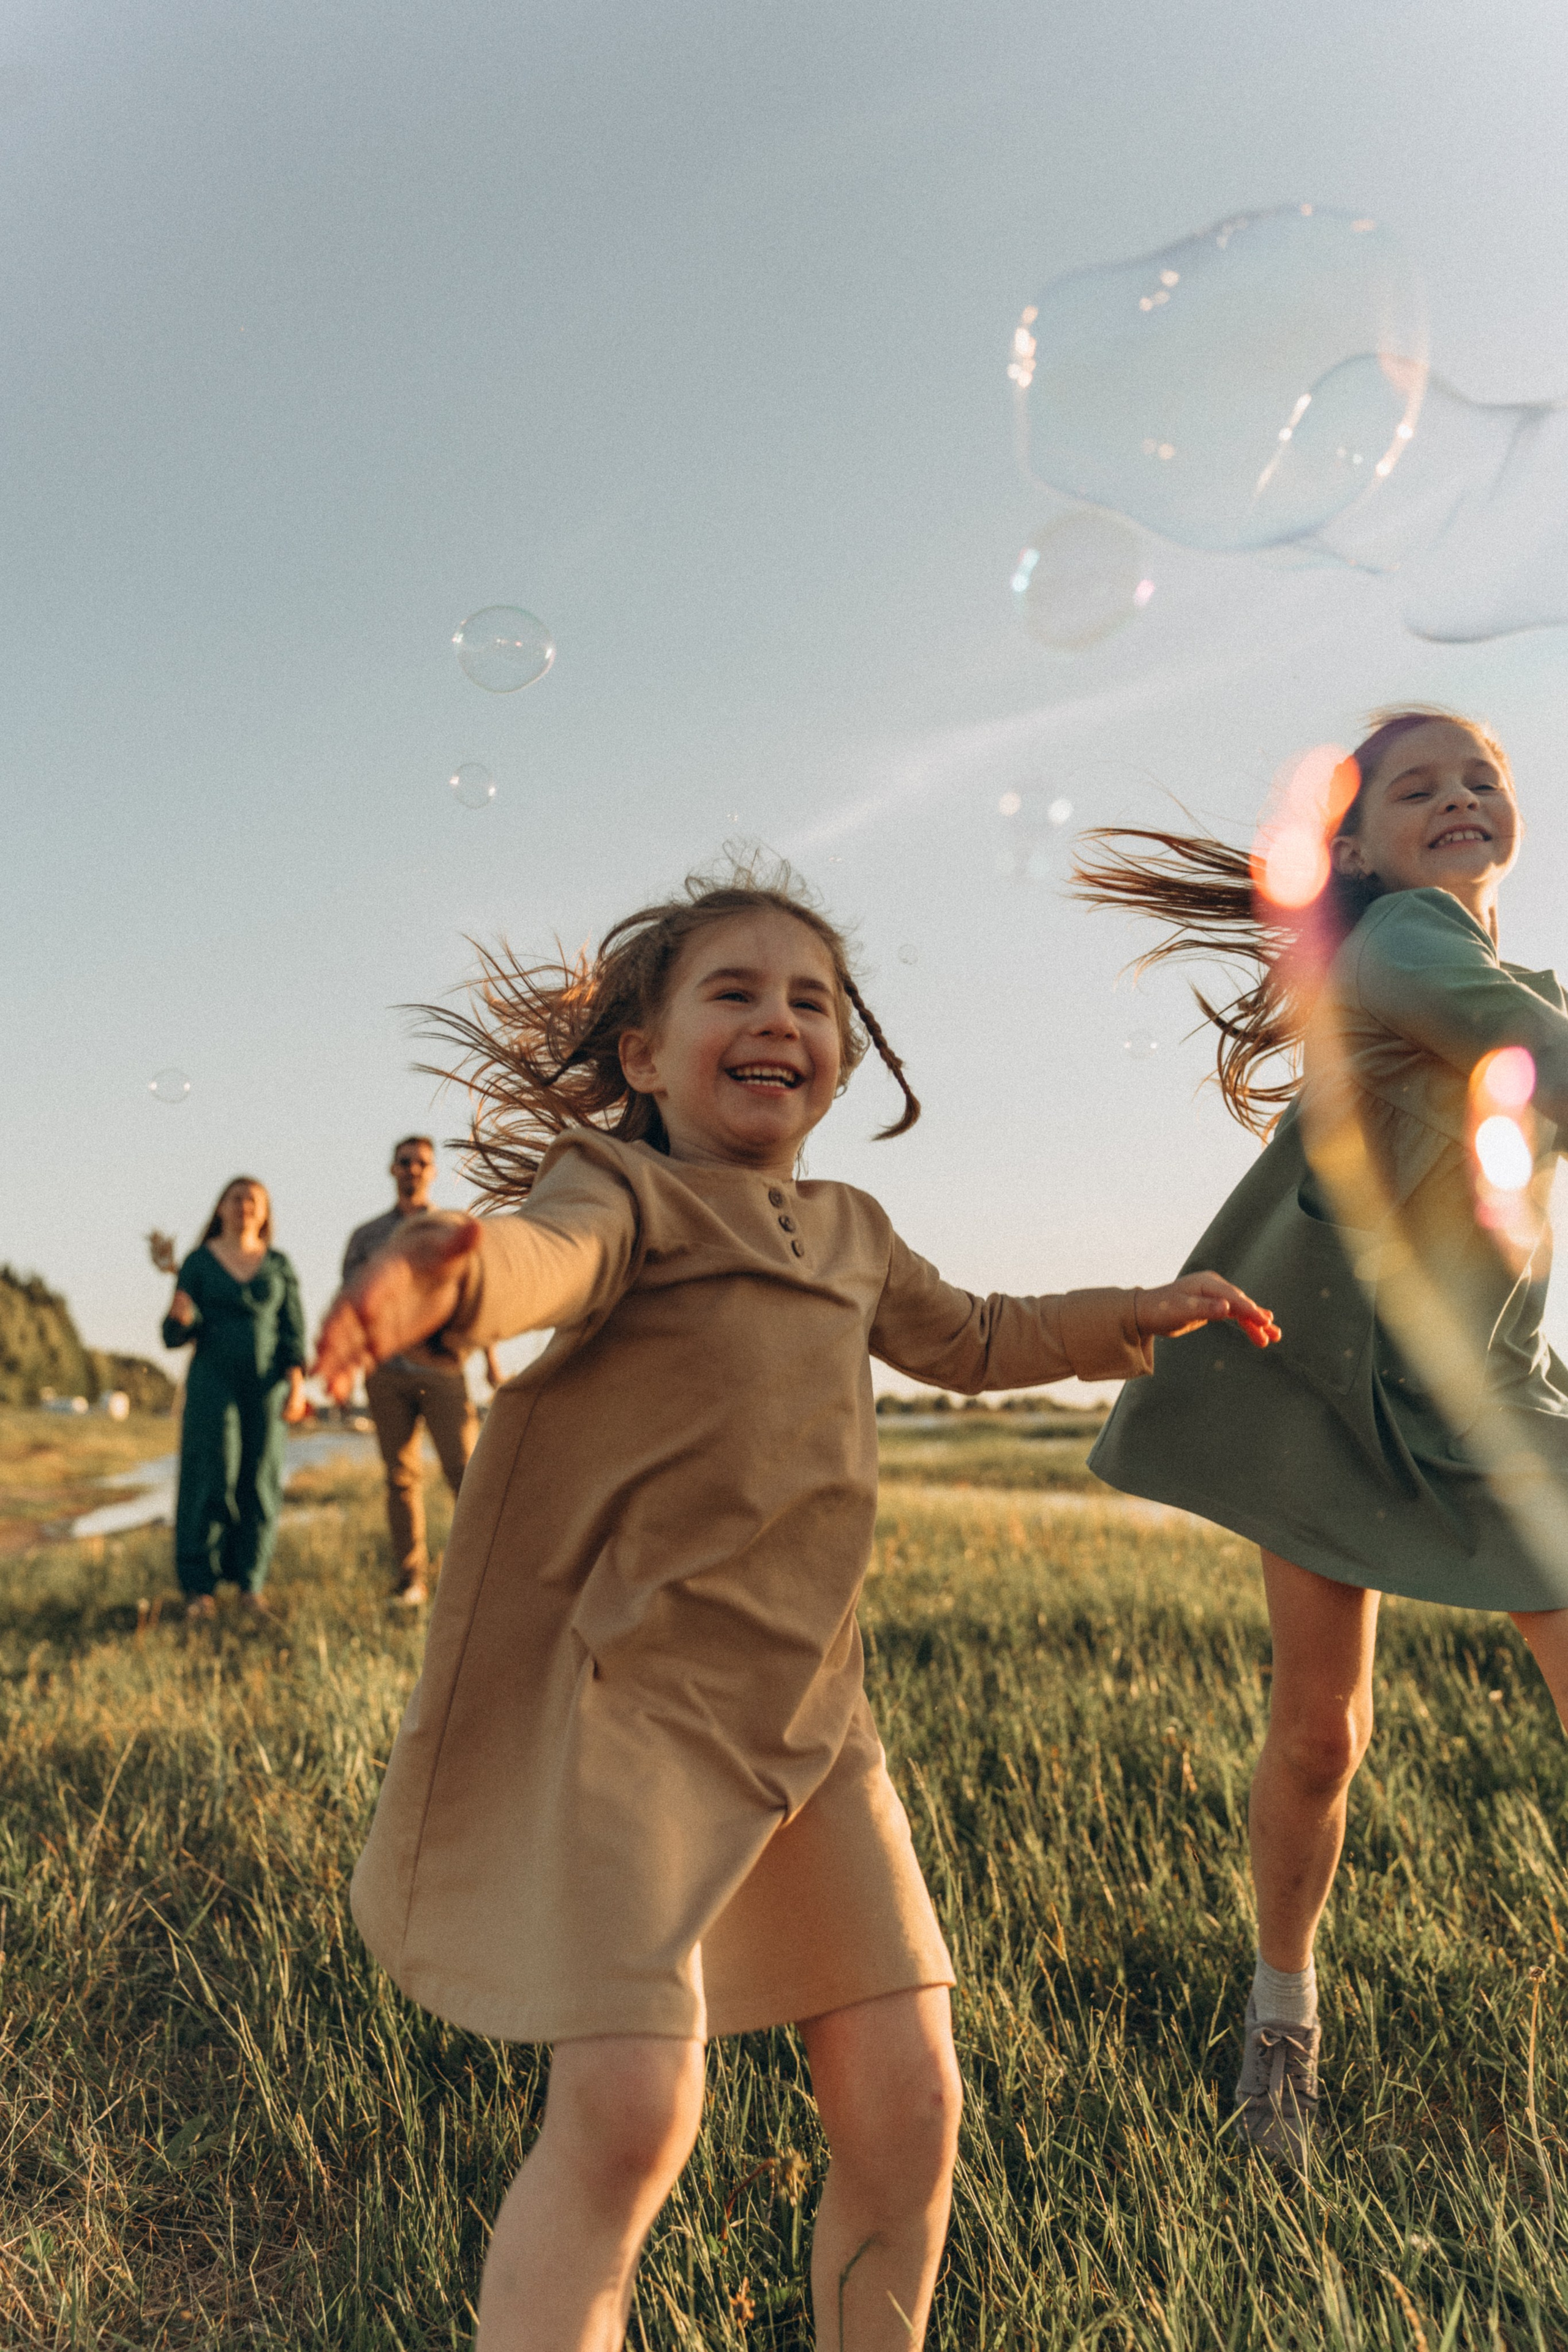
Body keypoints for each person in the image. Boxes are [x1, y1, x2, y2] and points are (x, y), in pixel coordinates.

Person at [314, 869, 1273, 2350]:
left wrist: (1131, 1310)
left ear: (844, 1055)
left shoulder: (852, 1229)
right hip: (629, 1710)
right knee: (635, 2109)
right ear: (643, 1054)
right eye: (734, 992)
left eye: (811, 999)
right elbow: (541, 1258)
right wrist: (449, 1272)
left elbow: (974, 1336)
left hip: (815, 1726)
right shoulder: (618, 1190)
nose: (779, 1019)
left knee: (907, 2106)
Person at [1076, 707, 1568, 2179]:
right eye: (1414, 786)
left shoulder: (1473, 960)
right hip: (1326, 1389)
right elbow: (1532, 1056)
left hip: (1476, 1395)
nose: (1457, 795)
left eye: (1479, 774)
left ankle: (1277, 2018)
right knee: (1317, 1729)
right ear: (1353, 848)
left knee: (1318, 1734)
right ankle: (1278, 2023)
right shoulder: (1402, 943)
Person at [341, 1136, 503, 1605]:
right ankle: (411, 1579)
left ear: (433, 1172)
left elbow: (476, 1301)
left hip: (445, 1371)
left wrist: (492, 1361)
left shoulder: (450, 1230)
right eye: (405, 1162)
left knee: (466, 1474)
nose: (413, 1169)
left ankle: (488, 1577)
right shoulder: (366, 1237)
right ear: (392, 1170)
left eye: (422, 1163)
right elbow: (352, 1305)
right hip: (386, 1373)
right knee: (400, 1477)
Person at [162, 1175, 309, 1621]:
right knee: (210, 1474)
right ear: (220, 1208)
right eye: (236, 1197)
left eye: (254, 1200)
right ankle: (199, 1589)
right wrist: (181, 1315)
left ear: (265, 1214)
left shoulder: (279, 1264)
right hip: (212, 1383)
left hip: (268, 1387)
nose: (245, 1205)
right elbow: (172, 1334)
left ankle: (251, 1586)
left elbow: (293, 1331)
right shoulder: (197, 1262)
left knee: (261, 1478)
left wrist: (298, 1385)